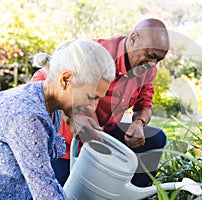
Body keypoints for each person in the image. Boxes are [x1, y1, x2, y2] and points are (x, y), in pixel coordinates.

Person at [33, 18, 170, 188]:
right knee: (60, 190)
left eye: (158, 60)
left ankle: (130, 195)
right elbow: (44, 78)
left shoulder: (147, 70)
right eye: (151, 56)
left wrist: (139, 123)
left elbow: (145, 104)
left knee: (156, 139)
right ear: (134, 38)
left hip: (104, 134)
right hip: (69, 144)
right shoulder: (96, 52)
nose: (153, 64)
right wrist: (73, 115)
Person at [0, 39, 115, 199]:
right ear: (65, 80)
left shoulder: (46, 100)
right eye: (91, 97)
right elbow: (46, 194)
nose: (94, 107)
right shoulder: (27, 116)